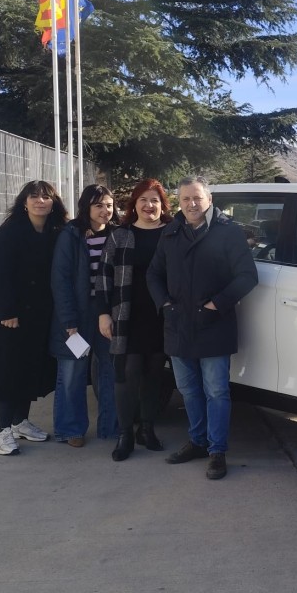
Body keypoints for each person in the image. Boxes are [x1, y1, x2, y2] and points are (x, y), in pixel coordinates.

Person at [148, 176, 258, 480]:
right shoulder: (170, 232)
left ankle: (217, 450)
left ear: (208, 199)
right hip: (178, 324)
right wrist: (164, 304)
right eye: (185, 200)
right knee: (188, 390)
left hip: (213, 324)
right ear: (178, 202)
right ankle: (196, 442)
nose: (191, 204)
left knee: (217, 391)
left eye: (197, 198)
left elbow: (247, 276)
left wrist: (216, 304)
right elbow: (153, 274)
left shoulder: (228, 232)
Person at [0, 180, 68, 455]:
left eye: (46, 196)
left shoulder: (56, 231)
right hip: (10, 315)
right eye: (34, 196)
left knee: (30, 367)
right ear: (24, 201)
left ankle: (20, 421)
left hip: (40, 314)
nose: (40, 201)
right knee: (8, 371)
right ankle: (3, 430)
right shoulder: (11, 231)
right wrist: (8, 312)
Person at [96, 178, 172, 462]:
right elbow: (104, 276)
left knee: (154, 375)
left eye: (154, 200)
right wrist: (103, 313)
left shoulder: (173, 233)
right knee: (126, 376)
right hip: (126, 316)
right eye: (143, 199)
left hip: (160, 317)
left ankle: (147, 429)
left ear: (162, 204)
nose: (148, 205)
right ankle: (125, 433)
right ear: (134, 204)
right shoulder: (120, 235)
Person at [49, 184, 118, 447]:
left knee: (111, 372)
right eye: (99, 205)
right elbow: (61, 279)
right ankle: (70, 429)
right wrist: (69, 321)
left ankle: (110, 427)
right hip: (77, 315)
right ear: (86, 207)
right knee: (72, 372)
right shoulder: (72, 234)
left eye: (109, 205)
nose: (105, 210)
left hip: (107, 314)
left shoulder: (117, 233)